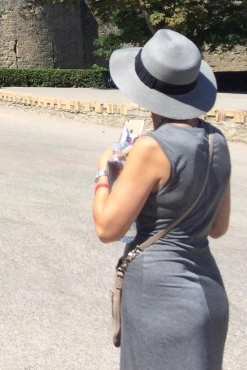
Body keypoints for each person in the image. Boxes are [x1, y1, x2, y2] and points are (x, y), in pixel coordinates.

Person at [93, 29, 231, 370]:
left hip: (160, 295)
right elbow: (218, 227)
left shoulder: (151, 147)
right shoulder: (218, 141)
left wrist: (102, 174)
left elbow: (107, 227)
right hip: (208, 292)